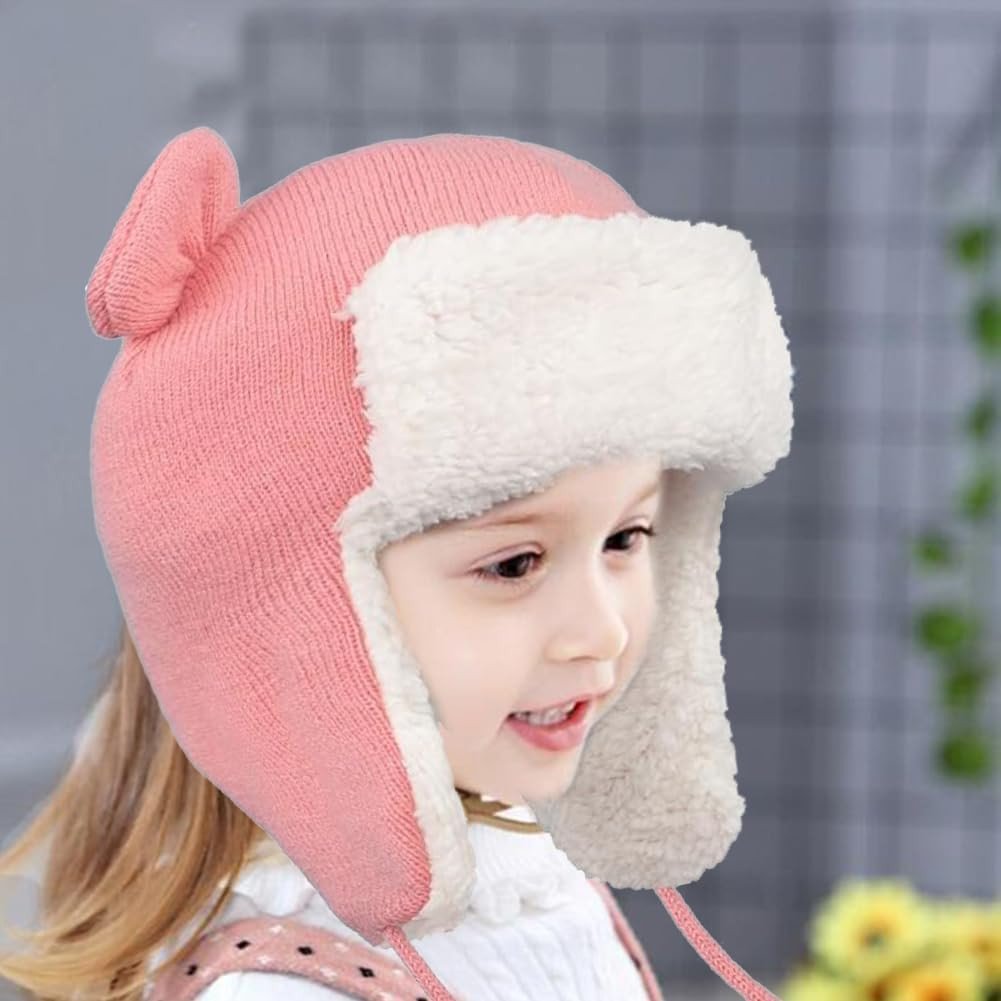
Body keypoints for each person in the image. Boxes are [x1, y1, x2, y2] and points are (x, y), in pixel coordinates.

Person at [0, 126, 794, 1000]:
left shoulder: (527, 873)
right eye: (514, 564)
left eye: (626, 537)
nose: (600, 630)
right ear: (294, 615)